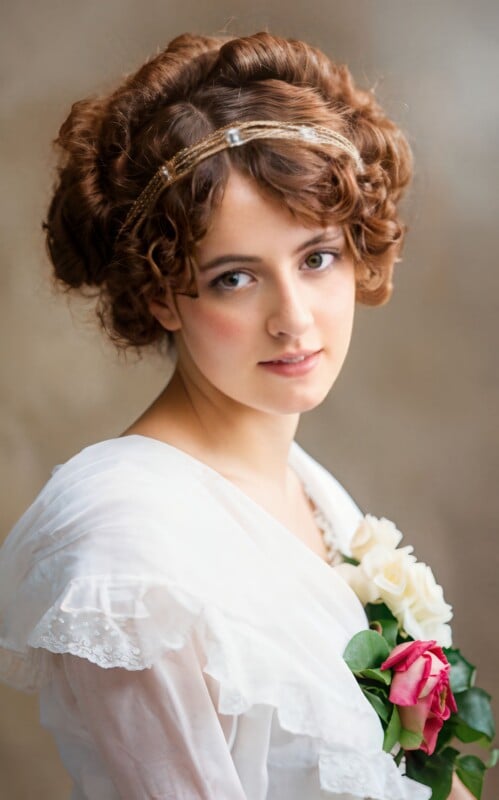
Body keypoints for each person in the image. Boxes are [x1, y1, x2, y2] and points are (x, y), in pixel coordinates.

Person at [0, 31, 473, 800]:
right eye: (233, 278)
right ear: (161, 295)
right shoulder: (129, 547)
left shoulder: (306, 488)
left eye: (315, 258)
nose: (293, 319)